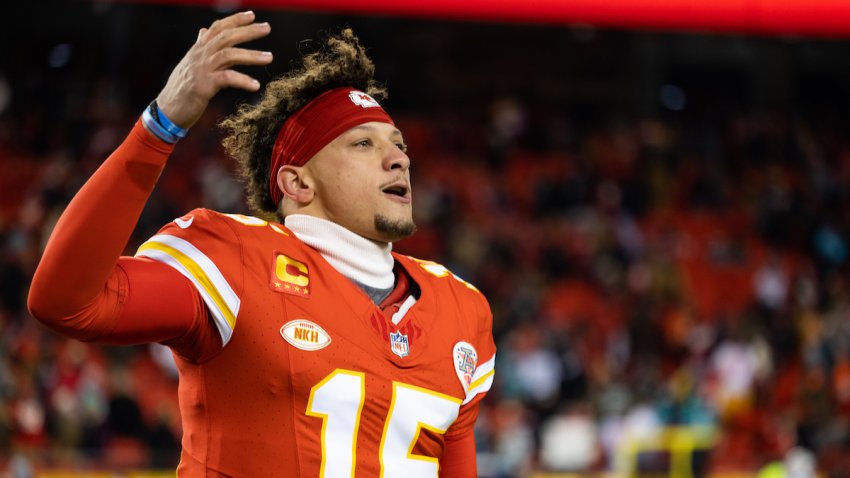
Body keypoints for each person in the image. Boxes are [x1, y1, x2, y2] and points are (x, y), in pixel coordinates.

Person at [27, 11, 495, 477]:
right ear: (298, 183)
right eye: (362, 144)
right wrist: (159, 127)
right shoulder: (234, 257)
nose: (398, 160)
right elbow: (66, 303)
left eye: (400, 146)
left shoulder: (460, 308)